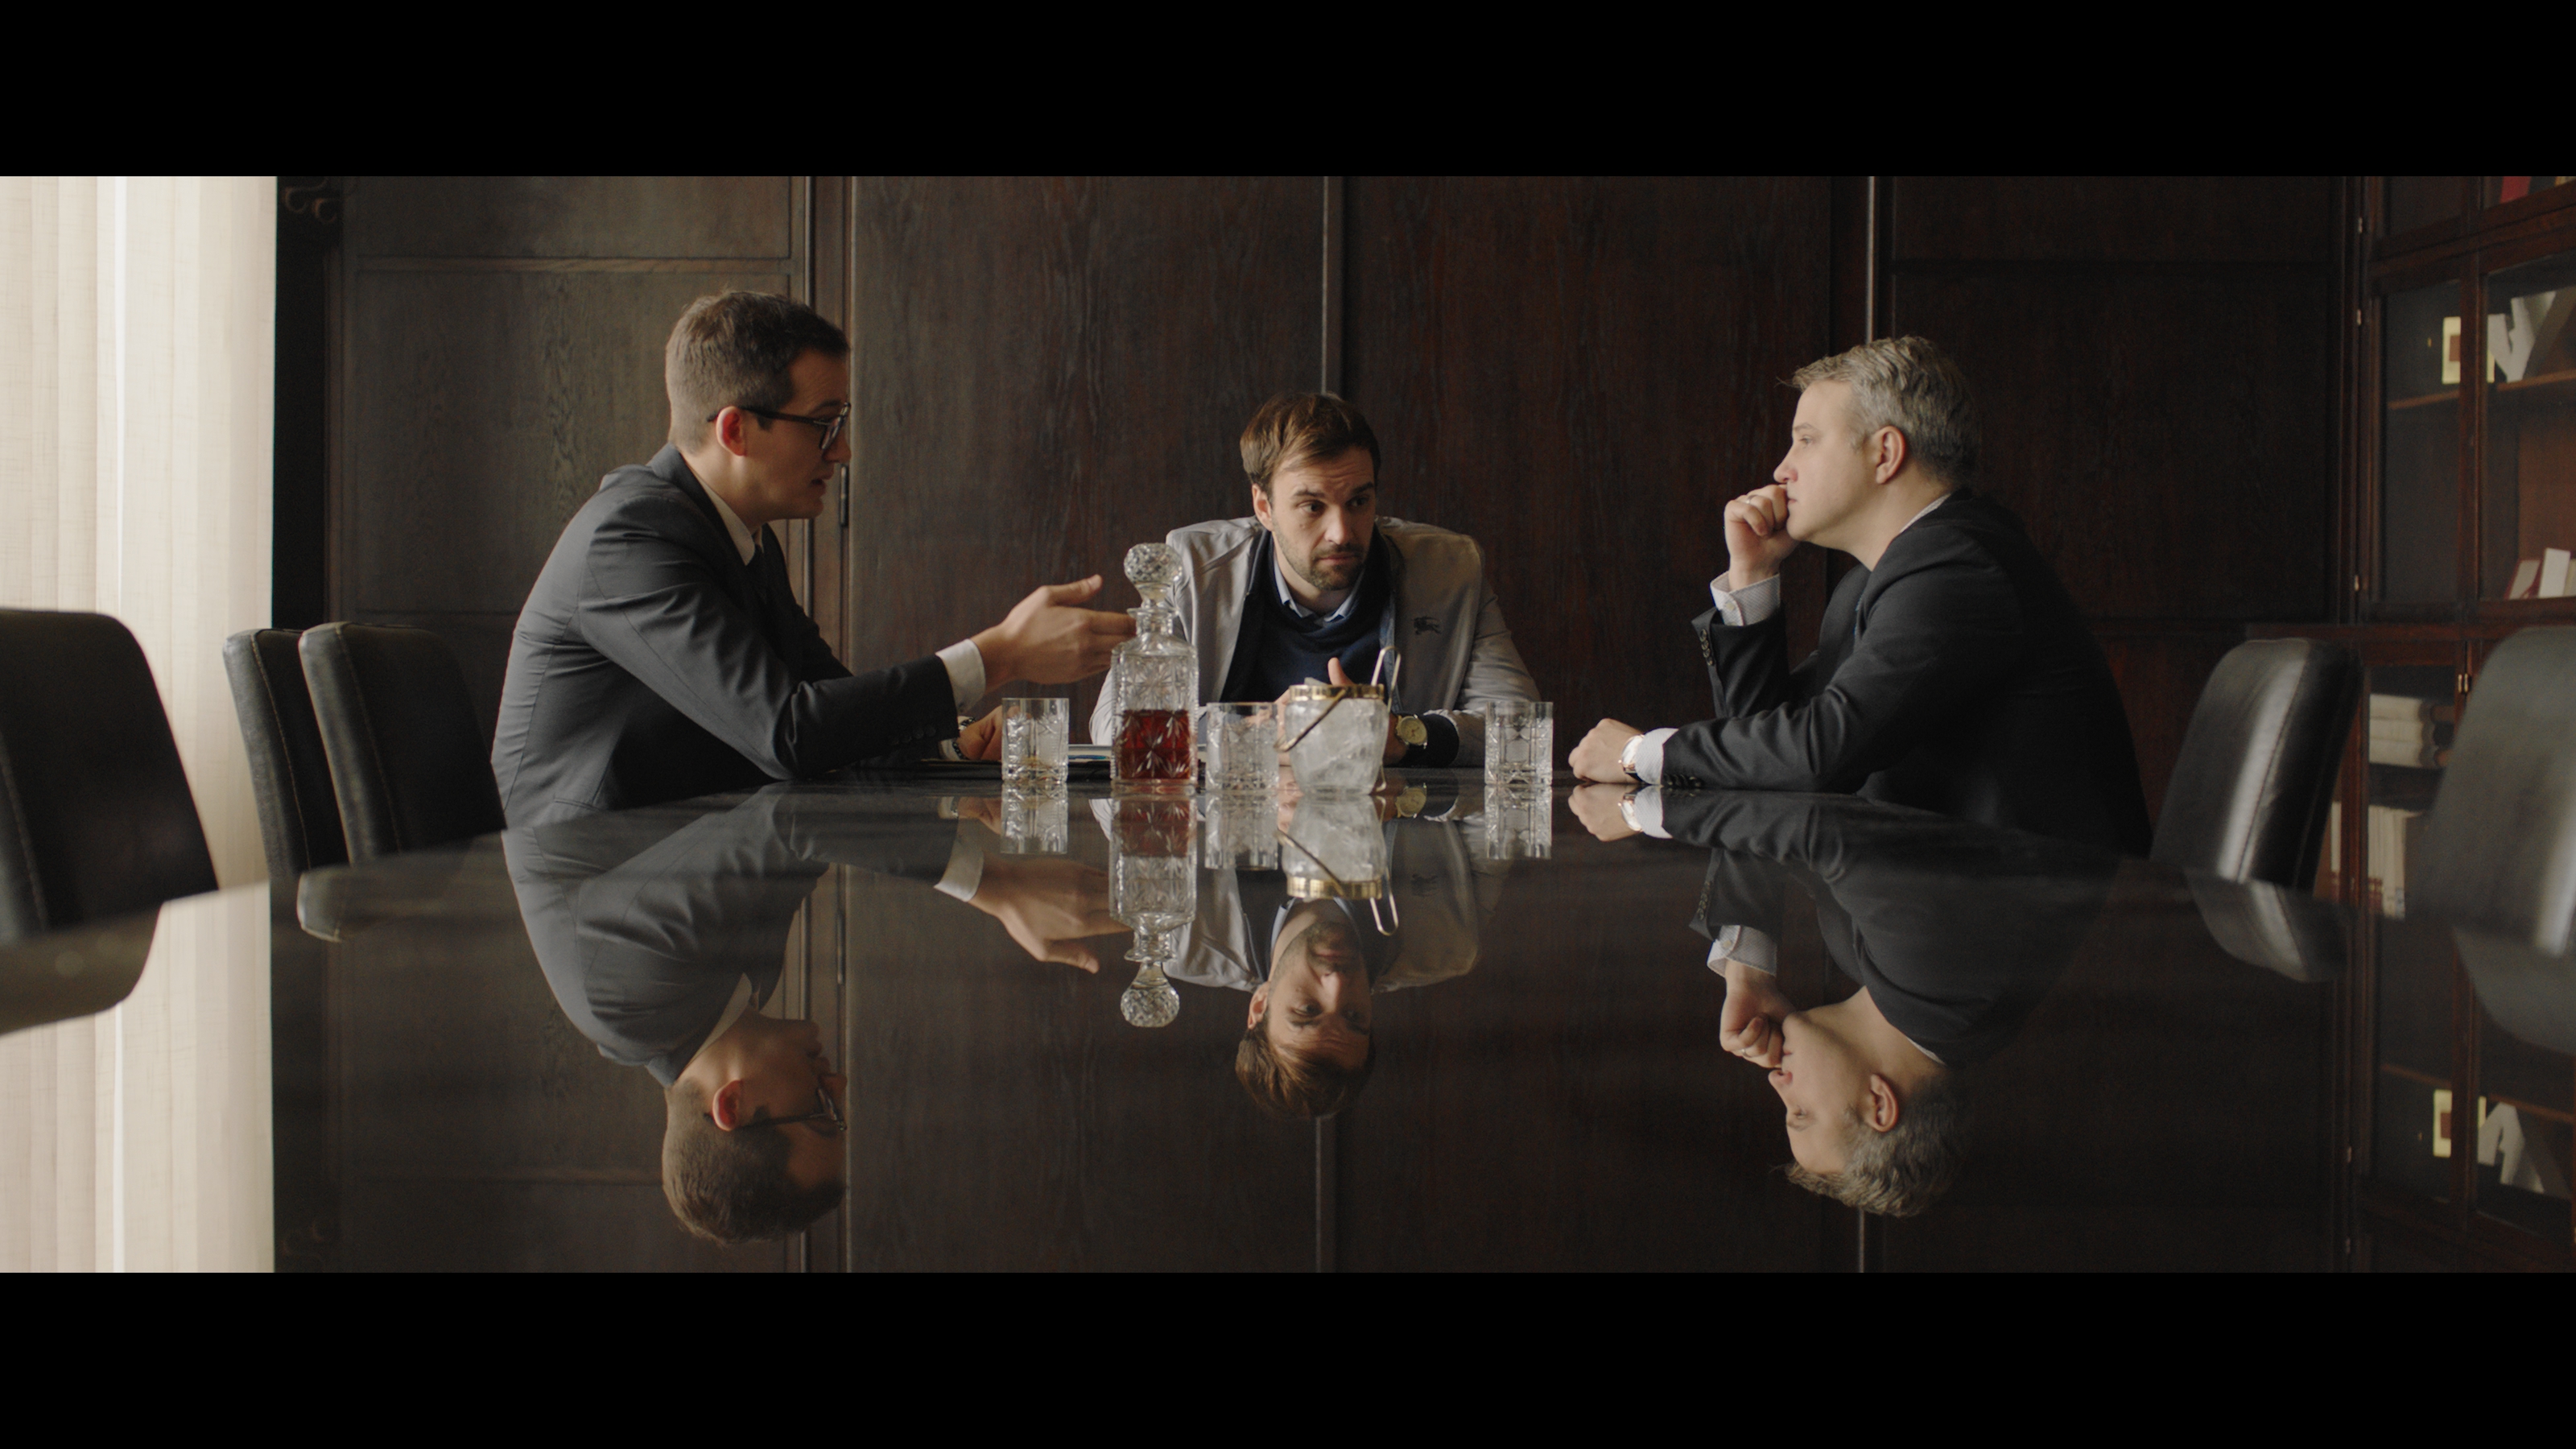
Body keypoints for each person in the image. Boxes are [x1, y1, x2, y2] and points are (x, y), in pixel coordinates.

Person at [494, 291, 1133, 829]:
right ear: (735, 430)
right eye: (825, 425)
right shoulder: (629, 539)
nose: (843, 450)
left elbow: (828, 717)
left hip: (688, 867)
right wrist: (1000, 655)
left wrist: (952, 746)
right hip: (592, 882)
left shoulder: (739, 535)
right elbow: (787, 732)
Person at [1569, 338, 2151, 854]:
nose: (1782, 469)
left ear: (1885, 454)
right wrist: (1751, 575)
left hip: (2023, 910)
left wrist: (1641, 754)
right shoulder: (1875, 579)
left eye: (1806, 441)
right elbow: (1771, 752)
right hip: (1937, 899)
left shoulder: (1956, 564)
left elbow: (1820, 751)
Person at [507, 786, 1117, 1244]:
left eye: (822, 1111)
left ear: (732, 1106)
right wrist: (947, 786)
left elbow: (791, 815)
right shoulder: (739, 990)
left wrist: (999, 888)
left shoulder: (622, 1000)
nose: (839, 1083)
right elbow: (816, 810)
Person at [1571, 783, 2115, 1217]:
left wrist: (1746, 969)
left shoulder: (1906, 996)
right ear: (1880, 1104)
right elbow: (1801, 812)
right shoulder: (1946, 981)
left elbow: (1779, 801)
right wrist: (1641, 806)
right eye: (1801, 1112)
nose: (1776, 1083)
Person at [1088, 392, 1538, 768]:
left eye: (1358, 502)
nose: (1341, 532)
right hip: (1237, 836)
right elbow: (1114, 725)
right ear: (1264, 508)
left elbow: (1523, 729)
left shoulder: (1451, 570)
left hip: (1395, 837)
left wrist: (1399, 736)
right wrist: (1255, 730)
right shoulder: (1192, 569)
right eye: (1312, 506)